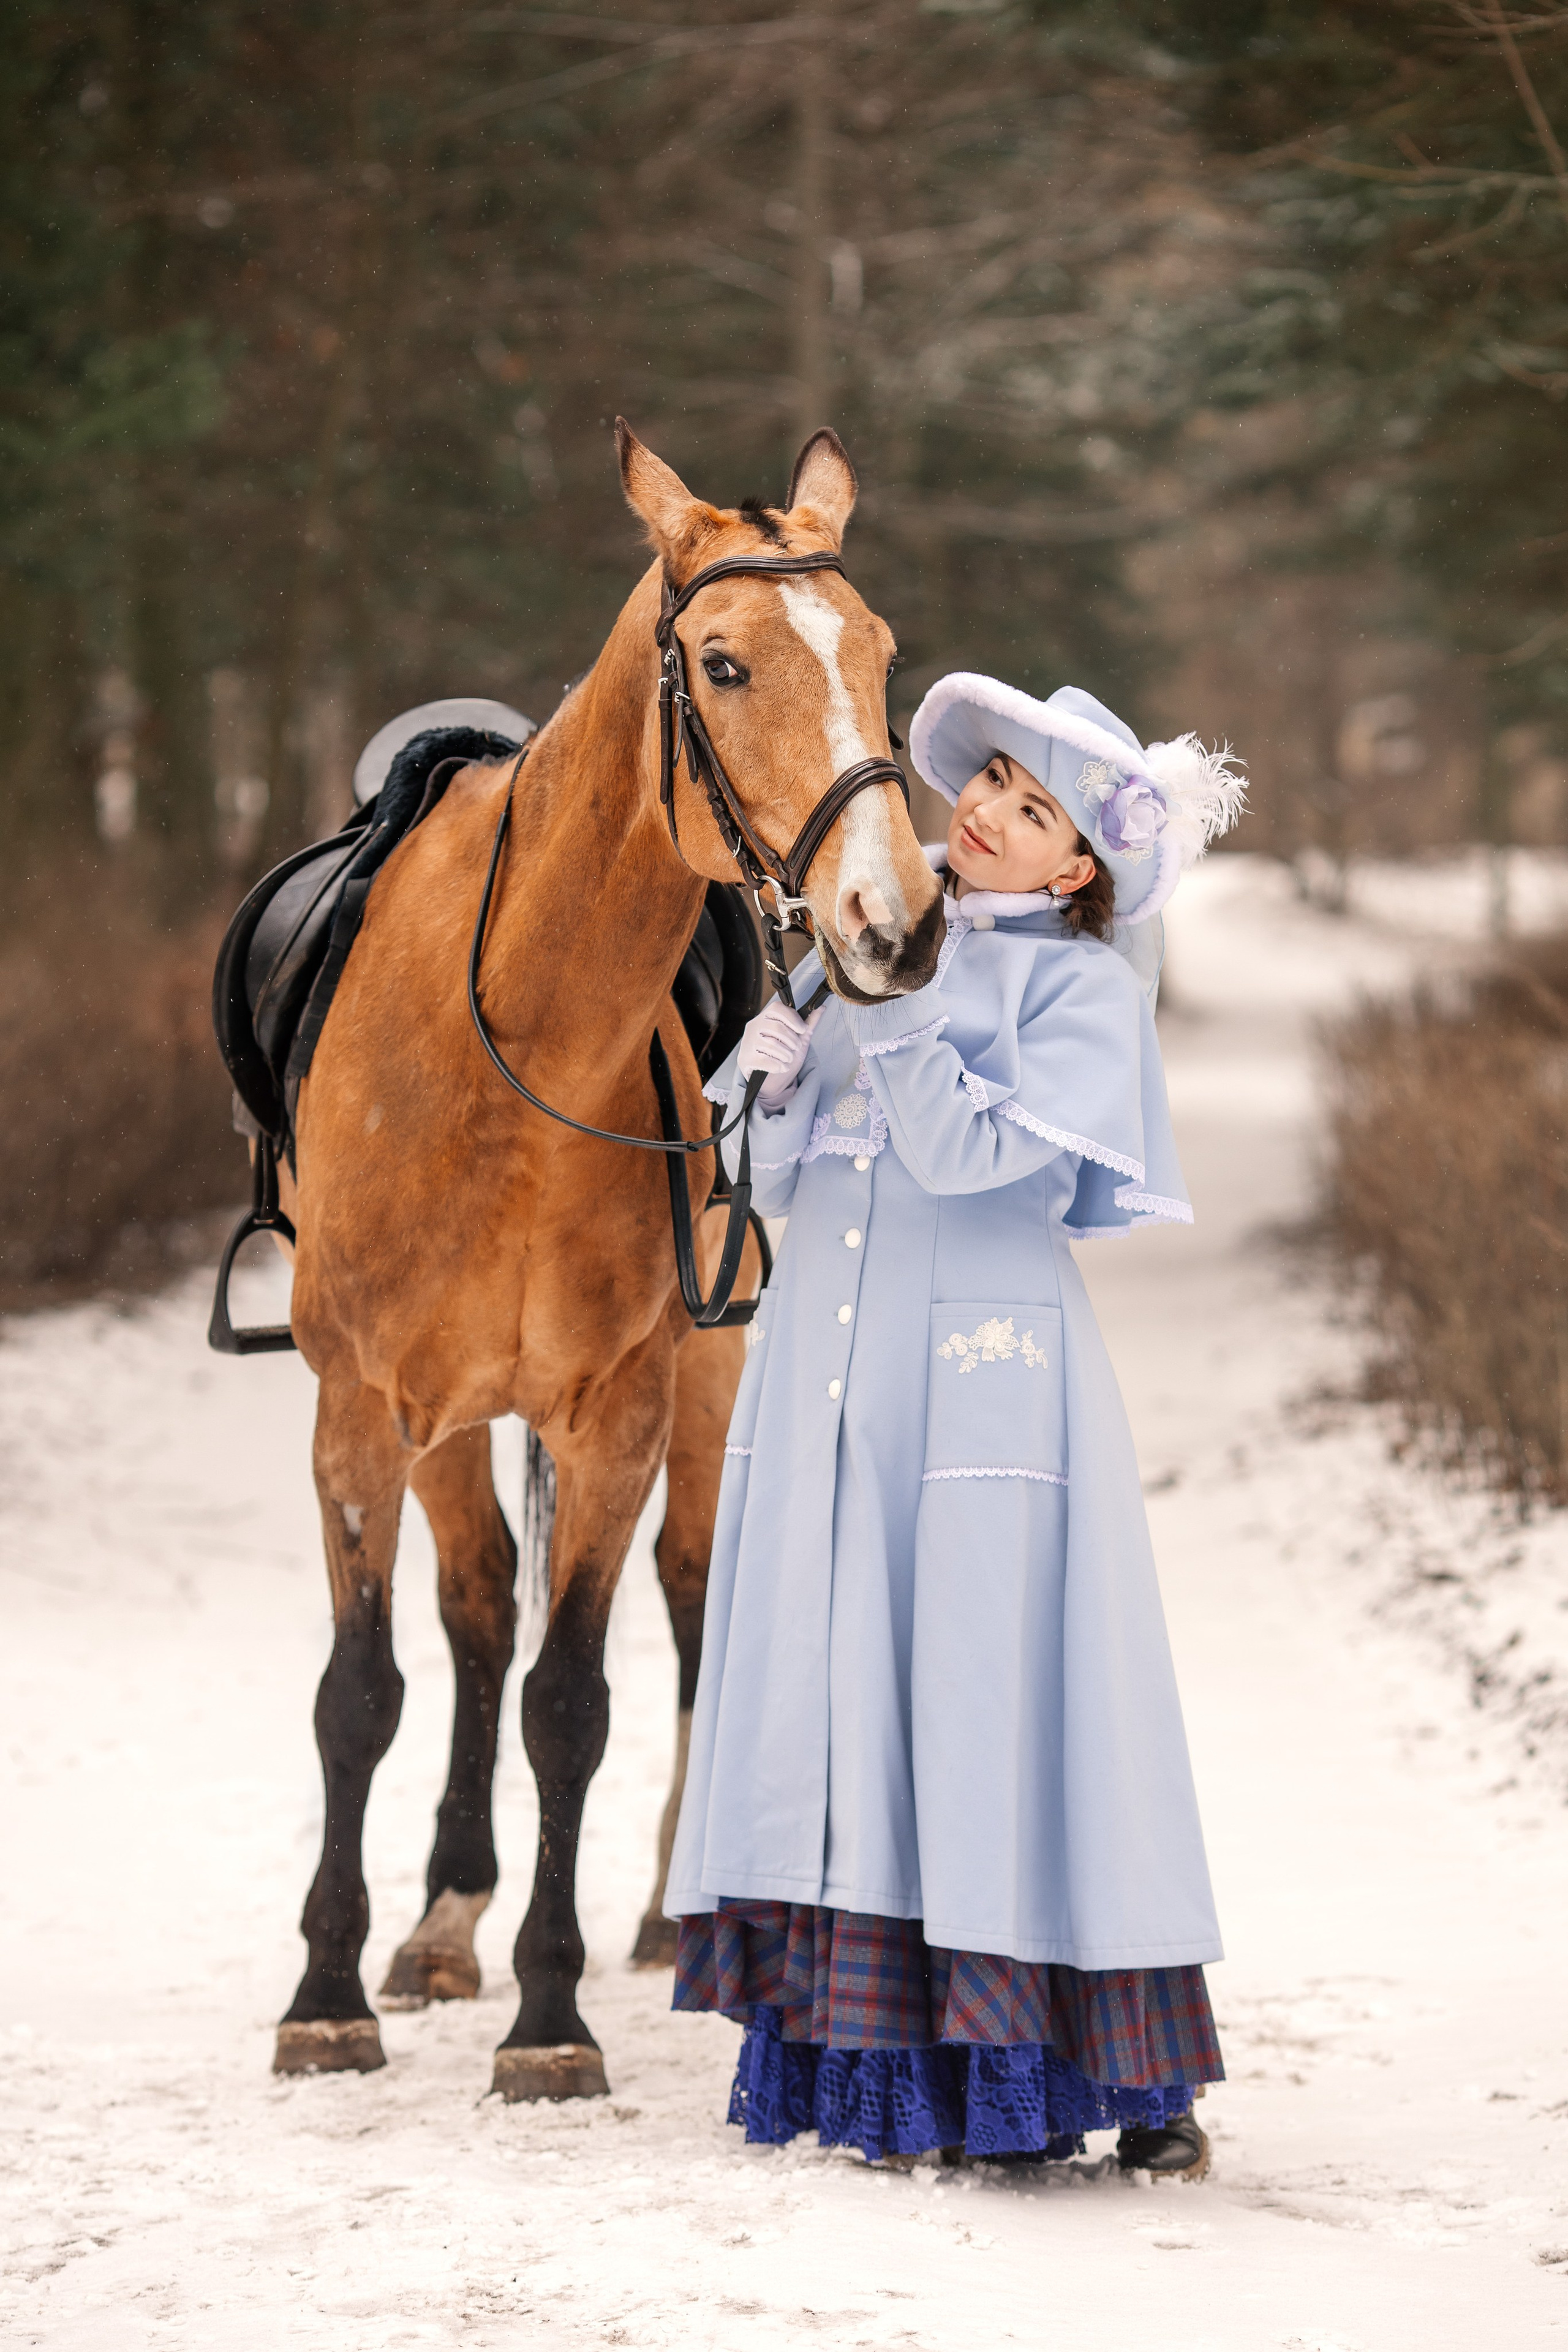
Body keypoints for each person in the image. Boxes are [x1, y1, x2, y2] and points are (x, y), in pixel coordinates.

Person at [665, 673, 1245, 2176]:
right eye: (987, 779)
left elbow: (978, 1161)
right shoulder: (873, 947)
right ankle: (859, 2055)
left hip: (987, 1396)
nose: (981, 811)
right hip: (834, 1389)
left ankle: (1073, 2068)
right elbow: (772, 1178)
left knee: (995, 1694)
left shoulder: (1083, 994)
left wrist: (896, 1019)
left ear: (1073, 868)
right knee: (844, 1683)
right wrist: (770, 1076)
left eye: (1028, 808)